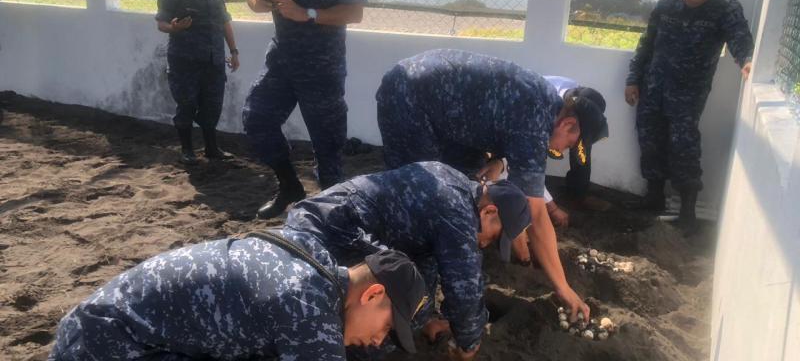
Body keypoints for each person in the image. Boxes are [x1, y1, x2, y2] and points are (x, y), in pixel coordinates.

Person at [282, 161, 590, 361]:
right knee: (376, 331)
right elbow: (464, 288)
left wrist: (428, 316)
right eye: (495, 236)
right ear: (489, 212)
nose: (487, 244)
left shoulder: (456, 182)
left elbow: (424, 260)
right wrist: (469, 345)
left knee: (411, 311)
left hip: (332, 221)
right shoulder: (456, 214)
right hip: (324, 234)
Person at [49, 229, 428, 360]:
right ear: (372, 294)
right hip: (105, 348)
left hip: (97, 326)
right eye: (387, 326)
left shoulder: (312, 257)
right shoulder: (307, 312)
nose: (378, 340)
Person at [624, 0, 754, 230]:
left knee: (684, 146)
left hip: (688, 93)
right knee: (649, 138)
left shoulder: (725, 8)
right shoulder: (667, 3)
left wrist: (747, 61)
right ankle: (654, 197)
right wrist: (633, 79)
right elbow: (647, 43)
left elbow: (740, 38)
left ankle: (687, 212)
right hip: (654, 87)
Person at [242, 0, 367, 219]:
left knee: (327, 144)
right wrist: (258, 2)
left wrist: (308, 13)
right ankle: (289, 186)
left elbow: (355, 13)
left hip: (322, 65)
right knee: (257, 119)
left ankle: (332, 211)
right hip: (281, 59)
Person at [481, 75, 612, 229]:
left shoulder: (563, 114)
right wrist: (551, 208)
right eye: (569, 145)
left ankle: (578, 194)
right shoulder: (538, 118)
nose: (563, 151)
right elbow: (529, 170)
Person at [155, 0, 239, 165]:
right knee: (187, 104)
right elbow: (161, 23)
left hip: (213, 59)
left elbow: (225, 21)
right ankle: (187, 149)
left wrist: (234, 51)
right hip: (185, 60)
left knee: (212, 105)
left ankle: (212, 148)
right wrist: (174, 27)